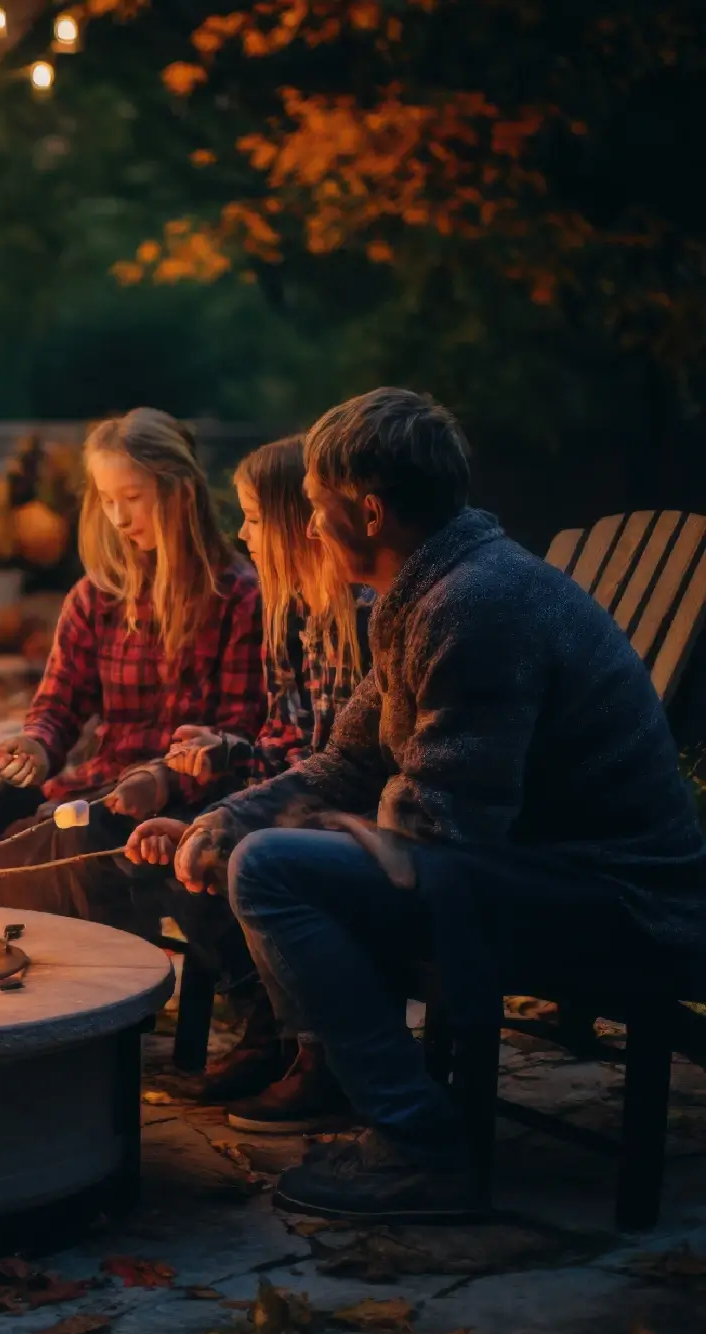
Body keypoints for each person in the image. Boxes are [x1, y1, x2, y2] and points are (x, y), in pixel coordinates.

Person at [166, 387, 706, 1221]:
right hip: (534, 868)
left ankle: (419, 1147)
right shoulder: (427, 592)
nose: (307, 526)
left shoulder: (477, 605)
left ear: (370, 510)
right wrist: (228, 816)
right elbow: (350, 760)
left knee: (276, 870)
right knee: (260, 848)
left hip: (620, 902)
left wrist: (277, 837)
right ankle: (367, 1092)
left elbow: (440, 827)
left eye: (315, 506)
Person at [125, 436, 373, 1115]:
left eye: (256, 518)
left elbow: (348, 770)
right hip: (320, 798)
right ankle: (269, 1031)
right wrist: (230, 754)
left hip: (366, 821)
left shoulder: (364, 617)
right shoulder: (300, 613)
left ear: (302, 523)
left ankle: (310, 1051)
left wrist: (231, 817)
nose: (242, 532)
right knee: (161, 847)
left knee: (234, 850)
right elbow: (292, 745)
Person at [0, 407, 264, 945]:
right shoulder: (97, 596)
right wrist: (37, 746)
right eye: (106, 500)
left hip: (197, 797)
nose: (118, 516)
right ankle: (60, 993)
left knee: (75, 843)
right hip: (106, 787)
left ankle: (115, 994)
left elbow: (241, 731)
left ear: (178, 491)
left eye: (131, 498)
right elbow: (58, 706)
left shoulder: (237, 596)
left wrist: (164, 776)